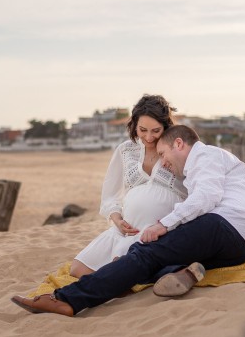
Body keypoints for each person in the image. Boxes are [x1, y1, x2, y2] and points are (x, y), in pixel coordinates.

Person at [11, 124, 245, 317]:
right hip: (240, 248)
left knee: (143, 253)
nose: (164, 162)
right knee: (161, 259)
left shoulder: (205, 156)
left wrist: (163, 224)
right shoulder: (225, 160)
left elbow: (206, 197)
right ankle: (182, 273)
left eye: (164, 153)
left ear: (179, 144)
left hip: (221, 228)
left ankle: (66, 299)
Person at [69, 94, 187, 278]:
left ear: (166, 126)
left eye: (156, 131)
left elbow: (196, 190)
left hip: (161, 232)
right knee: (78, 269)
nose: (149, 137)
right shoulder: (126, 150)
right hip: (126, 230)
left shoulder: (177, 148)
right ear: (134, 125)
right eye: (143, 130)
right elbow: (110, 194)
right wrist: (117, 220)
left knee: (120, 270)